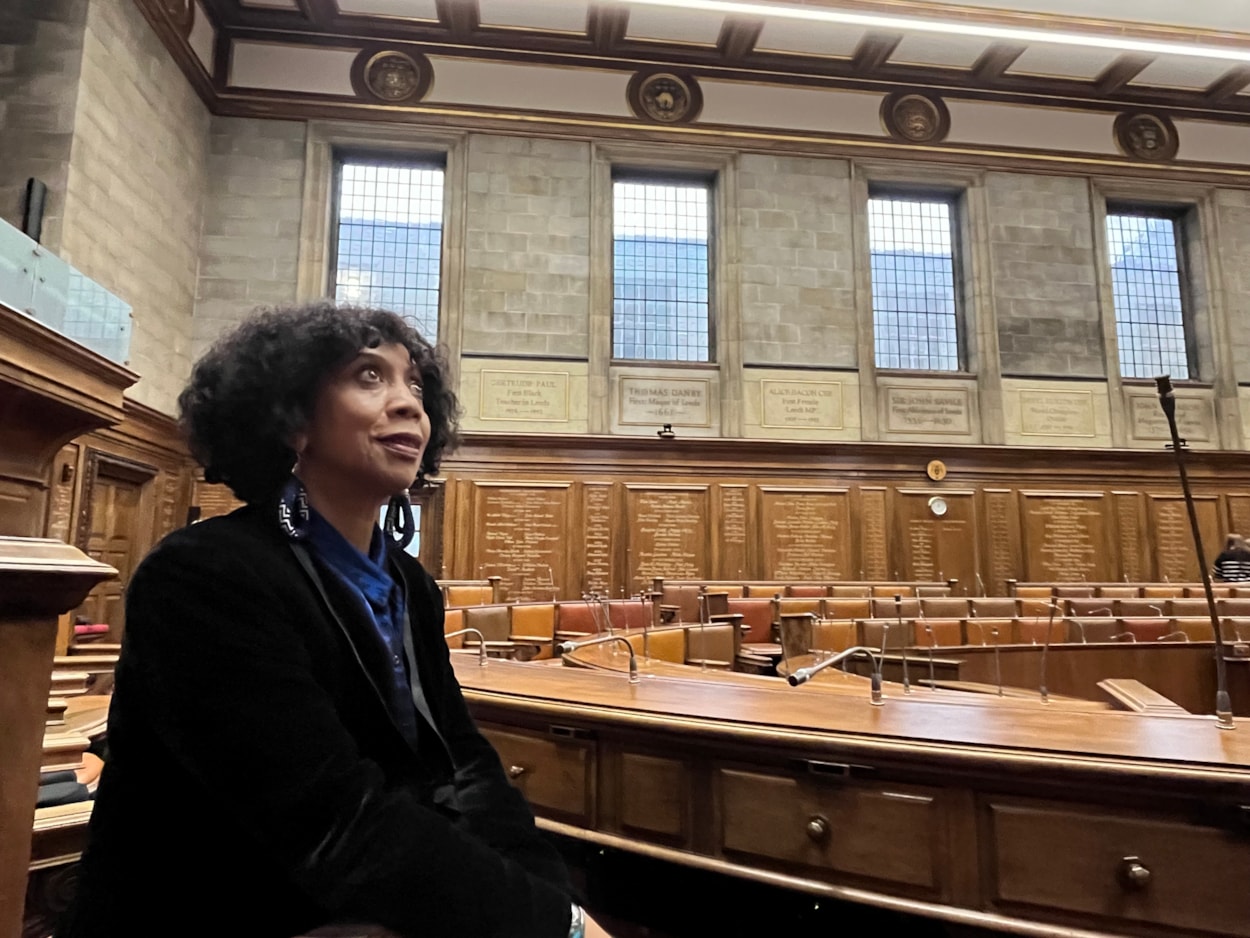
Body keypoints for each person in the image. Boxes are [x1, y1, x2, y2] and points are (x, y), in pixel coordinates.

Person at [59, 303, 612, 938]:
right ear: (292, 419)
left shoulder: (411, 586)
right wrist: (551, 924)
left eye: (415, 384)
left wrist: (559, 906)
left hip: (360, 908)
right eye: (370, 377)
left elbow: (465, 768)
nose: (409, 404)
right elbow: (330, 821)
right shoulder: (205, 575)